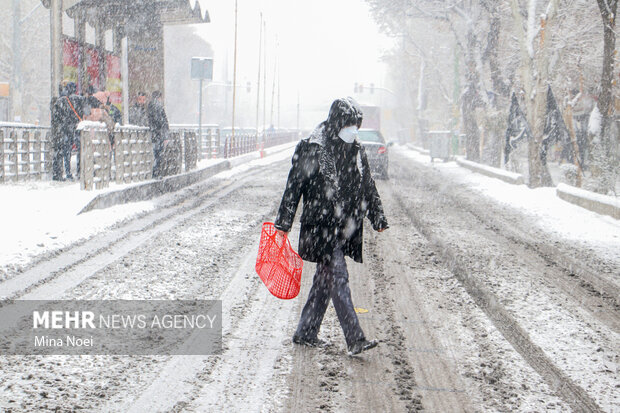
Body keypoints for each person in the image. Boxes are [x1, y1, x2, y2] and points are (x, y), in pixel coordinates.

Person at [274, 97, 388, 355]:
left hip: (341, 225)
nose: (353, 130)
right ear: (337, 122)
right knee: (338, 276)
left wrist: (377, 216)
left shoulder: (355, 150)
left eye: (356, 125)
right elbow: (294, 187)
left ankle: (306, 331)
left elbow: (368, 185)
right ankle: (355, 338)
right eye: (349, 125)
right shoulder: (311, 148)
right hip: (319, 226)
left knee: (325, 281)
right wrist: (284, 222)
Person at [51, 82, 90, 181]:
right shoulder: (80, 99)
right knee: (80, 150)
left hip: (65, 129)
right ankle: (80, 171)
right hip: (78, 128)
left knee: (66, 151)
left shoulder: (61, 101)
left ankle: (68, 173)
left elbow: (56, 116)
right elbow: (87, 112)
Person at [147, 90, 169, 178]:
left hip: (154, 134)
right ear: (159, 97)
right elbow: (162, 121)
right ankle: (157, 173)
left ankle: (156, 172)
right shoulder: (158, 106)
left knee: (156, 154)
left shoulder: (150, 106)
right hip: (158, 135)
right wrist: (164, 135)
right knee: (158, 154)